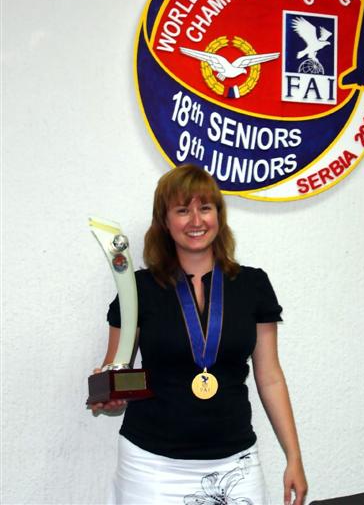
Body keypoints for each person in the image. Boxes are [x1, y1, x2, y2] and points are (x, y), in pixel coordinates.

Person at [90, 164, 307, 505]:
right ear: (164, 221)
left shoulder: (253, 285)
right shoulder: (137, 289)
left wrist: (293, 456)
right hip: (151, 466)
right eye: (182, 210)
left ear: (218, 216)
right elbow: (116, 368)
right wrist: (109, 391)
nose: (196, 220)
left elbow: (270, 378)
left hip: (235, 462)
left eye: (205, 208)